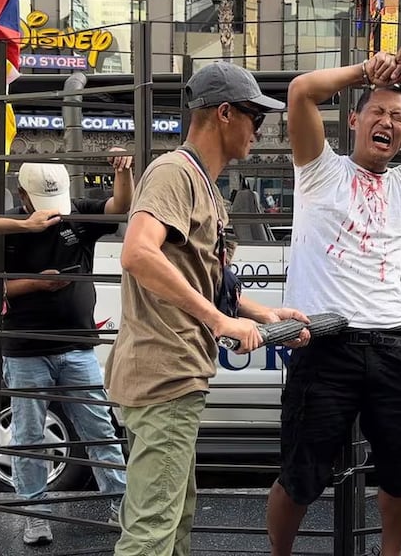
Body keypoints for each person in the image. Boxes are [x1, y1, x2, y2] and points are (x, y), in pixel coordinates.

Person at [266, 46, 401, 556]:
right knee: (300, 476)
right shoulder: (319, 169)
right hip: (324, 341)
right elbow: (300, 92)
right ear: (354, 119)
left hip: (390, 343)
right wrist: (368, 71)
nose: (387, 122)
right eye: (377, 112)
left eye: (398, 118)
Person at [104, 61, 310, 556]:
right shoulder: (176, 172)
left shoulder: (200, 182)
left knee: (173, 525)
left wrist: (262, 313)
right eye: (255, 119)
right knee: (152, 535)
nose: (261, 132)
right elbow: (138, 252)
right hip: (164, 376)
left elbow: (205, 280)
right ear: (223, 113)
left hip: (173, 376)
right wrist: (221, 321)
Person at [0, 155, 133, 547]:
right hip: (25, 346)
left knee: (99, 428)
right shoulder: (5, 227)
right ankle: (34, 514)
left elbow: (119, 207)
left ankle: (120, 503)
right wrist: (36, 284)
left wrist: (122, 173)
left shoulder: (78, 212)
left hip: (76, 343)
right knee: (27, 436)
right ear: (22, 195)